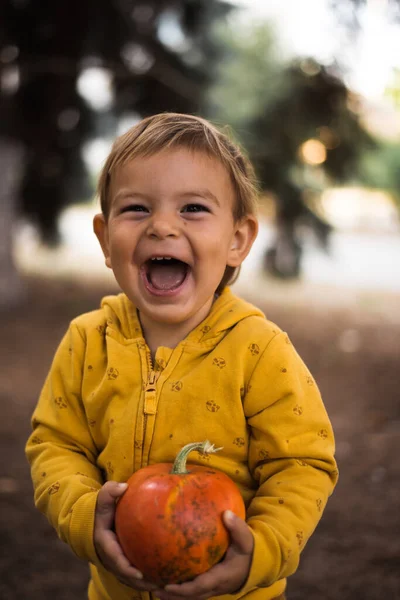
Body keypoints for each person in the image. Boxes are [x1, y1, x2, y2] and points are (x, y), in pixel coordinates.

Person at [26, 112, 338, 600]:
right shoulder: (86, 342)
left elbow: (301, 464)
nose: (162, 227)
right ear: (106, 239)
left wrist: (262, 549)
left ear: (237, 240)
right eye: (136, 209)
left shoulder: (260, 351)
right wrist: (86, 514)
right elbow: (56, 446)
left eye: (192, 208)